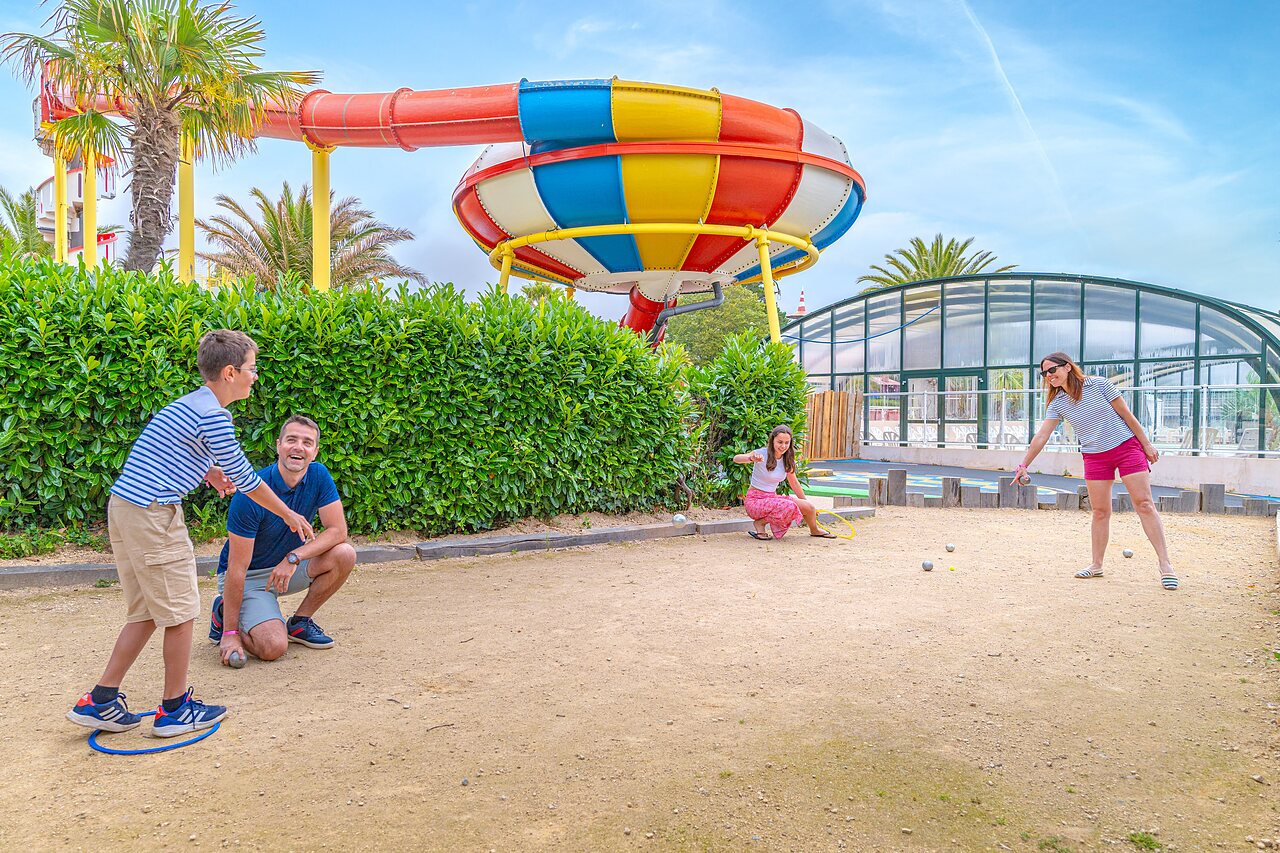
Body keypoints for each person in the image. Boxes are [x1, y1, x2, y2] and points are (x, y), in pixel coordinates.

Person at [67, 330, 316, 738]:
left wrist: (207, 471)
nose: (255, 376)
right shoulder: (214, 415)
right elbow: (246, 479)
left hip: (127, 507)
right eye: (252, 369)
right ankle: (174, 710)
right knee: (181, 614)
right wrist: (288, 513)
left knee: (147, 612)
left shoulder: (191, 405)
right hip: (154, 514)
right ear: (231, 372)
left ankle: (101, 700)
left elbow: (166, 452)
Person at [1015, 352, 1178, 590]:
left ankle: (1165, 565)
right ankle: (1096, 565)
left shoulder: (1100, 384)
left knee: (1144, 504)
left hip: (1126, 447)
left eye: (1052, 370)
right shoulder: (1058, 403)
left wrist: (1146, 444)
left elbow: (1127, 416)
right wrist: (1024, 465)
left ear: (1067, 367)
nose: (1048, 376)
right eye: (1044, 373)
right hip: (1094, 456)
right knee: (1100, 511)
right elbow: (1042, 436)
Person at [210, 415, 355, 664]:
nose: (298, 447)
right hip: (248, 577)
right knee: (273, 647)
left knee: (344, 553)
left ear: (315, 451)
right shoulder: (250, 494)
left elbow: (337, 531)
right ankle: (224, 613)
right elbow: (236, 568)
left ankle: (299, 623)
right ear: (278, 445)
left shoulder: (319, 475)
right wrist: (231, 634)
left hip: (286, 567)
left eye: (307, 442)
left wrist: (294, 557)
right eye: (291, 440)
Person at [732, 425, 836, 541]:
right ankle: (760, 523)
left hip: (771, 498)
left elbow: (794, 483)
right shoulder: (762, 453)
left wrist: (806, 503)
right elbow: (736, 458)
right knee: (789, 506)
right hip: (755, 501)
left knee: (809, 507)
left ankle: (814, 530)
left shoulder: (787, 459)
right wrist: (751, 458)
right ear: (772, 441)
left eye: (787, 443)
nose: (783, 446)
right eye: (780, 442)